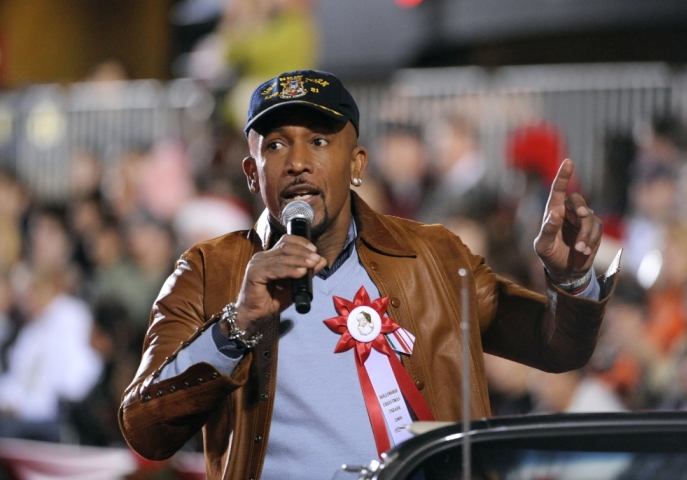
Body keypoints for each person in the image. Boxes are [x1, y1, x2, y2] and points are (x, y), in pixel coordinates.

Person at [119, 69, 620, 480]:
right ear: (252, 174)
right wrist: (236, 325)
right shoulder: (210, 271)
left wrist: (572, 280)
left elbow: (557, 347)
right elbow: (145, 429)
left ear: (356, 163)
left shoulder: (435, 257)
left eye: (319, 141)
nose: (296, 163)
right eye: (274, 145)